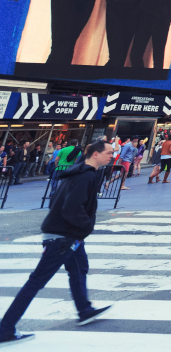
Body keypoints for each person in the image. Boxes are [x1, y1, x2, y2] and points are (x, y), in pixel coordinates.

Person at [0, 140, 113, 344]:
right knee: (36, 281)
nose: (111, 156)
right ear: (95, 154)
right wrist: (87, 226)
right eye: (109, 152)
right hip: (63, 236)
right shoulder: (86, 175)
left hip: (66, 234)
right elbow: (71, 207)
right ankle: (5, 329)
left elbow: (55, 201)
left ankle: (84, 310)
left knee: (79, 268)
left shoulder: (76, 172)